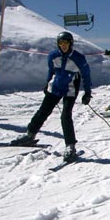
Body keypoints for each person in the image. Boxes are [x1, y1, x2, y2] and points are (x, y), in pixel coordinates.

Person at [11, 31, 92, 162]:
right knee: (43, 111)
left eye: (65, 43)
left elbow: (86, 76)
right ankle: (30, 135)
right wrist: (47, 82)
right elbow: (51, 70)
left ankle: (70, 146)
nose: (63, 45)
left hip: (70, 89)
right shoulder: (53, 55)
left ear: (70, 44)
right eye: (61, 43)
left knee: (66, 116)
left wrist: (87, 92)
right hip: (55, 87)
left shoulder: (78, 58)